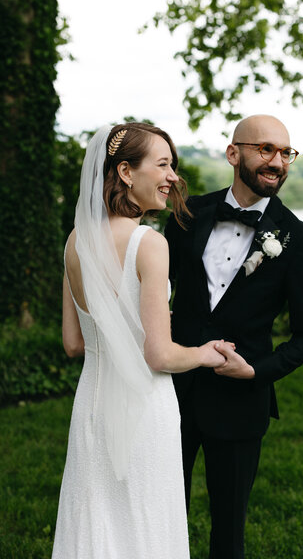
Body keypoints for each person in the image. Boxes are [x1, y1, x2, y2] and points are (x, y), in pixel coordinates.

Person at [52, 122, 228, 559]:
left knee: (93, 520)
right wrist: (205, 354)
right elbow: (159, 354)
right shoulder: (149, 243)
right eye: (163, 164)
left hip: (91, 405)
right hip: (145, 410)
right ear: (126, 172)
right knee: (145, 524)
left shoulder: (76, 240)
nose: (173, 177)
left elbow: (74, 343)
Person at [165, 114, 303, 559]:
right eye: (265, 149)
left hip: (239, 405)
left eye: (286, 153)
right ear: (234, 153)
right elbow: (158, 296)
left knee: (229, 530)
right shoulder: (188, 215)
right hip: (170, 392)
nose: (278, 162)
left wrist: (256, 370)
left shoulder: (298, 238)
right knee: (155, 511)